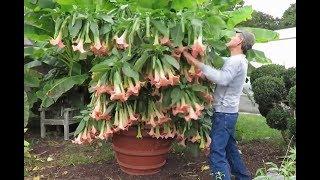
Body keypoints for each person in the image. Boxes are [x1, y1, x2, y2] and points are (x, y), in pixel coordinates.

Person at [182, 29, 255, 180]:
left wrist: (193, 60)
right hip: (228, 113)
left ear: (240, 41)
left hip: (224, 114)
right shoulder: (236, 60)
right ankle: (243, 177)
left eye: (235, 36)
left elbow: (222, 79)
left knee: (216, 151)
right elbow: (221, 76)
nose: (231, 37)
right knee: (230, 149)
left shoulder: (236, 61)